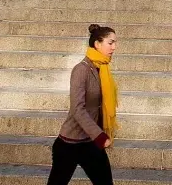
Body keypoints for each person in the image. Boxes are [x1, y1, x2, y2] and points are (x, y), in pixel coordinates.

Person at [47, 24, 119, 185]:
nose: (114, 47)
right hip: (70, 144)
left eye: (115, 43)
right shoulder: (81, 70)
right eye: (110, 42)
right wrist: (100, 136)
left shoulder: (102, 68)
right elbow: (77, 109)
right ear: (97, 44)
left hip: (90, 143)